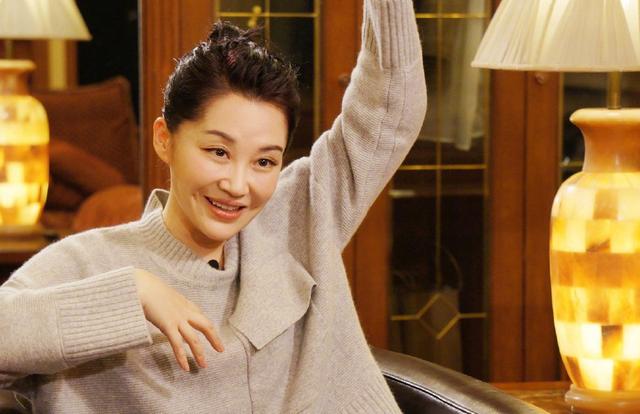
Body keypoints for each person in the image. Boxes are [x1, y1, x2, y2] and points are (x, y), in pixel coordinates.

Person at [0, 0, 426, 412]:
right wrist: (133, 294)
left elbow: (391, 112)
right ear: (164, 139)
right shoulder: (91, 262)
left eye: (264, 161)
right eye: (218, 152)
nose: (237, 186)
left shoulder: (298, 215)